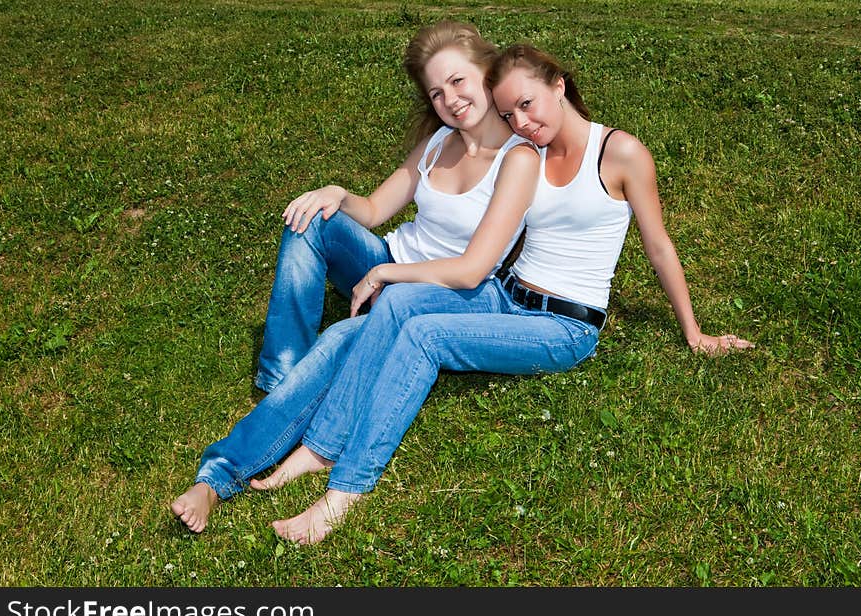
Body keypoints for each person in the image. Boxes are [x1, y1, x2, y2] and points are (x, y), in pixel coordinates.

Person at [259, 43, 755, 544]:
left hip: (563, 326)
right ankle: (319, 448)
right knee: (402, 304)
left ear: (558, 86)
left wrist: (694, 333)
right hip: (505, 296)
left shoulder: (620, 153)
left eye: (527, 104)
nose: (520, 120)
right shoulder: (527, 153)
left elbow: (659, 248)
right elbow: (481, 241)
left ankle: (345, 493)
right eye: (508, 112)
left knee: (425, 337)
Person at [169, 21, 539, 532]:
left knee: (340, 340)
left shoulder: (517, 160)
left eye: (458, 82)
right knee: (310, 222)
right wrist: (337, 196)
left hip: (433, 293)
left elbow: (473, 268)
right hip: (386, 266)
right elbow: (373, 209)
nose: (450, 100)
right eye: (436, 92)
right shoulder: (438, 144)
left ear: (487, 73)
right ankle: (282, 378)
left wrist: (389, 274)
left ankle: (218, 476)